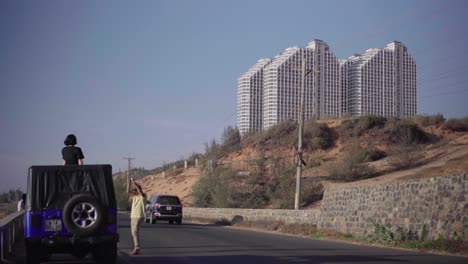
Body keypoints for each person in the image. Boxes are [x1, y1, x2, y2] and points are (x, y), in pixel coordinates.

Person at [127, 177, 146, 255]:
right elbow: (127, 192)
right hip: (133, 216)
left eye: (134, 190)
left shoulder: (143, 196)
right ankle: (136, 248)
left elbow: (140, 191)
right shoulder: (134, 197)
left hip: (139, 216)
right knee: (133, 232)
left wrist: (134, 183)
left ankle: (137, 248)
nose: (133, 191)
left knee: (134, 231)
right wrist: (129, 183)